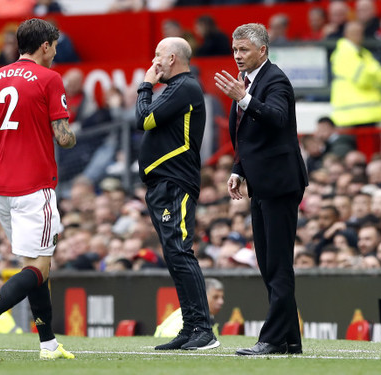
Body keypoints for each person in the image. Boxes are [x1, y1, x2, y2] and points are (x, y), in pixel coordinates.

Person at [0, 18, 76, 361]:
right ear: (45, 46)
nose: (56, 53)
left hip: (1, 189)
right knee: (40, 266)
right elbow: (64, 139)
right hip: (34, 186)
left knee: (33, 264)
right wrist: (70, 132)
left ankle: (48, 345)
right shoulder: (50, 78)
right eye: (55, 46)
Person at [214, 23, 308, 356]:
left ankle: (271, 339)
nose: (237, 56)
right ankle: (289, 340)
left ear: (262, 50)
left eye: (244, 50)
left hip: (280, 184)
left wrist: (244, 98)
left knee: (278, 264)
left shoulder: (275, 80)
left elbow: (278, 118)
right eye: (235, 50)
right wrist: (238, 170)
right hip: (261, 183)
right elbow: (246, 135)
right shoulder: (250, 82)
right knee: (269, 263)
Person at [136, 37, 219, 351]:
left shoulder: (184, 86)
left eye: (158, 54)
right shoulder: (173, 89)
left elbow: (144, 119)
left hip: (176, 183)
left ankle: (203, 330)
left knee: (181, 253)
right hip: (162, 184)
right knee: (173, 255)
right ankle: (190, 326)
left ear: (171, 58)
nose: (154, 60)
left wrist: (146, 85)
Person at [330, 21, 381, 129]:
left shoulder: (364, 53)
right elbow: (363, 79)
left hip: (368, 114)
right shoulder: (343, 52)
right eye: (354, 32)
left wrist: (372, 75)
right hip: (351, 116)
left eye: (360, 32)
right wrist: (373, 75)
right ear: (346, 34)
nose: (358, 35)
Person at [154, 278, 224, 338]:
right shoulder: (189, 317)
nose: (221, 302)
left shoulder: (207, 317)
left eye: (222, 297)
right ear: (201, 297)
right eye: (215, 297)